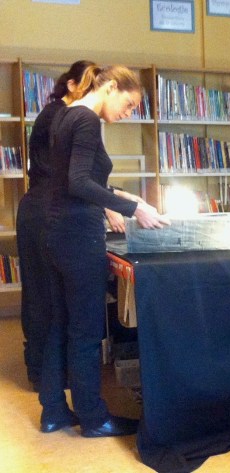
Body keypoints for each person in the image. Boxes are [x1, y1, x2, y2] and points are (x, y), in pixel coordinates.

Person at [39, 65, 168, 437]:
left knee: (60, 326)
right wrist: (133, 209)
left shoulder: (66, 114)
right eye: (128, 104)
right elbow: (79, 182)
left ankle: (53, 412)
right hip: (78, 237)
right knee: (86, 332)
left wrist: (123, 197)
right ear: (111, 86)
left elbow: (73, 179)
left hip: (56, 232)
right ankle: (94, 419)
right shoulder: (86, 120)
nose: (127, 114)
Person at [17, 60, 94, 392]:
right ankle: (41, 373)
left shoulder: (64, 115)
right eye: (87, 88)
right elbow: (69, 176)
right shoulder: (58, 116)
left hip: (44, 207)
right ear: (72, 85)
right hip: (42, 210)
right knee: (43, 296)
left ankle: (47, 375)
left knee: (48, 295)